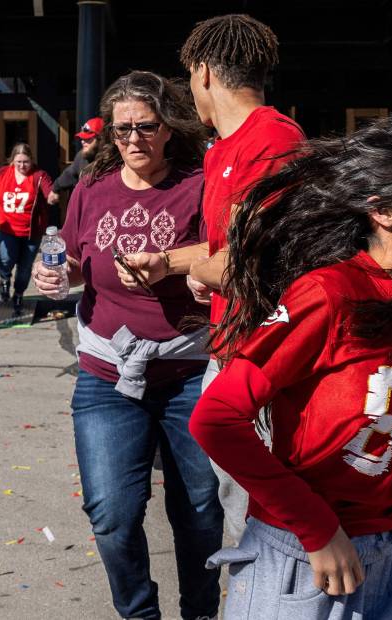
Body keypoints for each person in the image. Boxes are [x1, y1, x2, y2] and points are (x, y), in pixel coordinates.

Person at [189, 116, 392, 618]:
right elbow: (216, 418)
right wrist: (315, 527)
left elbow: (386, 438)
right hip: (302, 562)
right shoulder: (328, 294)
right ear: (382, 211)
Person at [32, 70, 222, 620]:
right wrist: (57, 277)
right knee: (112, 514)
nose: (133, 139)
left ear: (168, 128)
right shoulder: (91, 189)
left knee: (201, 512)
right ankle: (139, 615)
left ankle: (201, 612)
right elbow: (72, 261)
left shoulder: (200, 184)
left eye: (146, 126)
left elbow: (226, 250)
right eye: (122, 130)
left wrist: (176, 265)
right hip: (106, 375)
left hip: (188, 371)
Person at [118, 13, 306, 544]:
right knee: (235, 501)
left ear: (202, 73)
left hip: (265, 354)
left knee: (262, 513)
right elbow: (224, 249)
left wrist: (204, 270)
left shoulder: (273, 141)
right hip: (228, 345)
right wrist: (170, 262)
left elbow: (253, 262)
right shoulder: (222, 147)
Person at [0, 143, 54, 314]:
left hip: (31, 232)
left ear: (32, 161)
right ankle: (4, 281)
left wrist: (52, 196)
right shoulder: (1, 174)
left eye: (26, 162)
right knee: (6, 259)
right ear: (12, 161)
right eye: (19, 162)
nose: (22, 166)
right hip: (8, 229)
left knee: (25, 267)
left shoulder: (39, 176)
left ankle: (19, 294)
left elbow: (49, 190)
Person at [47, 117, 102, 211]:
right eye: (82, 138)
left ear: (101, 139)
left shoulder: (113, 160)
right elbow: (70, 173)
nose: (83, 141)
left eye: (88, 138)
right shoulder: (81, 157)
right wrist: (55, 189)